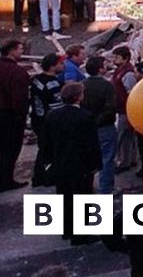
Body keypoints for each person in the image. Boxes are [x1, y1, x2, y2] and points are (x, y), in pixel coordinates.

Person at [44, 82, 102, 243]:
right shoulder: (85, 117)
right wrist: (95, 164)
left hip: (60, 164)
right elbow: (91, 144)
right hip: (80, 164)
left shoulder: (52, 115)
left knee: (64, 197)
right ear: (79, 97)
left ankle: (66, 229)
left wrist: (48, 162)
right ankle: (80, 234)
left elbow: (46, 142)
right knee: (82, 197)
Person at [82, 56, 117, 194]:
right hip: (105, 127)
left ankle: (87, 187)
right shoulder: (107, 85)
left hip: (87, 128)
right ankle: (106, 189)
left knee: (87, 158)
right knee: (107, 159)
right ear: (100, 68)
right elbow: (110, 108)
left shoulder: (82, 84)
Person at [0, 39, 31, 191]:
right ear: (11, 50)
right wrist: (22, 117)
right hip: (10, 116)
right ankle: (6, 180)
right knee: (10, 149)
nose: (22, 52)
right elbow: (20, 98)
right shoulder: (17, 72)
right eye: (20, 49)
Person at [29, 53, 64, 186]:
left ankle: (39, 176)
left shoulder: (37, 80)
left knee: (43, 149)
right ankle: (47, 176)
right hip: (49, 122)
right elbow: (57, 106)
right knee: (50, 150)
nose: (63, 66)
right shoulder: (53, 84)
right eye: (60, 64)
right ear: (52, 66)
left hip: (37, 118)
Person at [110, 47, 138, 174]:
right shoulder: (120, 71)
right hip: (121, 109)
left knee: (124, 136)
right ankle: (130, 159)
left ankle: (124, 161)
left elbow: (131, 94)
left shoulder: (128, 74)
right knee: (127, 137)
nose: (114, 60)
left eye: (117, 57)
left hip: (126, 110)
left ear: (125, 58)